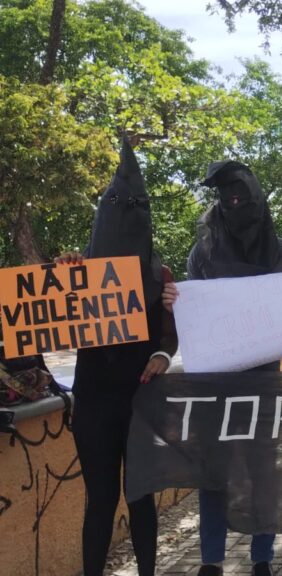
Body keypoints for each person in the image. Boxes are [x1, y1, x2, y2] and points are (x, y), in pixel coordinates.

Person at [162, 160, 282, 576]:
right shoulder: (202, 254)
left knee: (263, 473)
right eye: (229, 200)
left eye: (244, 199)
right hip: (214, 385)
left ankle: (262, 557)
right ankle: (211, 560)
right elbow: (191, 320)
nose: (236, 206)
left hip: (263, 384)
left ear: (260, 204)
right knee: (213, 475)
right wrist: (175, 303)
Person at [54, 138, 178, 576]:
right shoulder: (78, 271)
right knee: (100, 501)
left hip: (141, 401)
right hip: (93, 402)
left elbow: (170, 336)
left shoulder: (160, 275)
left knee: (140, 496)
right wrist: (63, 280)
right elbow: (54, 328)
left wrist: (163, 352)